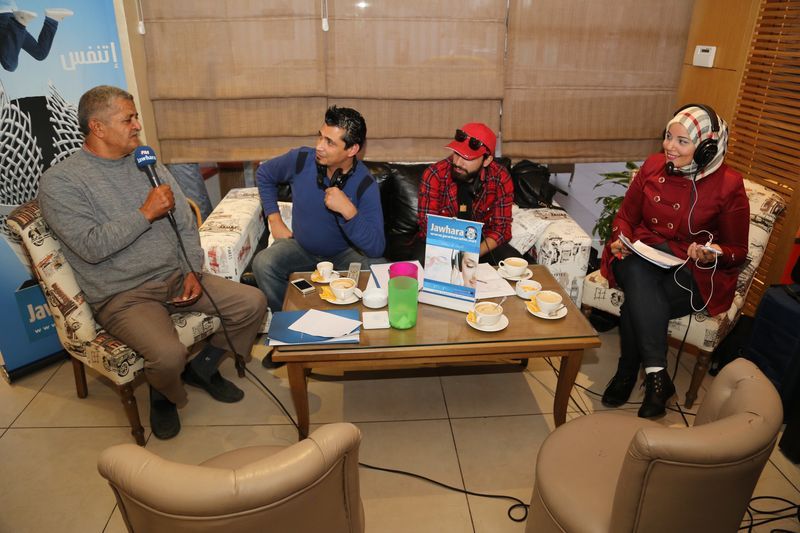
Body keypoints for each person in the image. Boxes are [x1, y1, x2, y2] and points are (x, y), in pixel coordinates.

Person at [38, 85, 267, 440]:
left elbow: (185, 223)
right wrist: (145, 213)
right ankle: (163, 395)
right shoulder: (60, 182)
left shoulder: (146, 162)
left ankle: (204, 368)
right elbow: (90, 246)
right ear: (97, 128)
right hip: (123, 294)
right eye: (127, 119)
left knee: (252, 303)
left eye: (136, 117)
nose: (137, 125)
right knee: (168, 355)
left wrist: (192, 269)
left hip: (177, 276)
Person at [599, 104, 749, 418]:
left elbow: (737, 250)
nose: (669, 146)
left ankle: (628, 374)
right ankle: (657, 375)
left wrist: (713, 252)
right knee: (637, 272)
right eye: (668, 137)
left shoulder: (729, 185)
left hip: (691, 270)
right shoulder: (653, 165)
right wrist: (619, 239)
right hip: (640, 253)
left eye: (682, 141)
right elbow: (625, 217)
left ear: (707, 148)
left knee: (638, 302)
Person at [252, 105, 386, 315]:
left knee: (379, 268)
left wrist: (349, 212)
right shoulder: (300, 159)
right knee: (263, 263)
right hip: (301, 248)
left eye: (330, 142)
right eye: (320, 137)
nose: (319, 146)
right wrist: (275, 220)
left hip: (344, 254)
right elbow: (264, 174)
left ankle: (352, 323)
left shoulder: (365, 184)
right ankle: (290, 318)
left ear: (352, 150)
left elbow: (377, 249)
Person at [414, 123, 518, 265]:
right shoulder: (434, 174)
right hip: (439, 241)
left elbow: (502, 229)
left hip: (480, 243)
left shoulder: (500, 177)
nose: (458, 162)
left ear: (487, 160)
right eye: (457, 153)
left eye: (467, 158)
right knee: (421, 266)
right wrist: (453, 257)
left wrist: (472, 254)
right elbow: (427, 226)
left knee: (513, 262)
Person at [0, 2, 72, 72]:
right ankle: (52, 19)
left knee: (9, 64)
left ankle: (19, 25)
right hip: (11, 15)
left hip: (4, 18)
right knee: (40, 53)